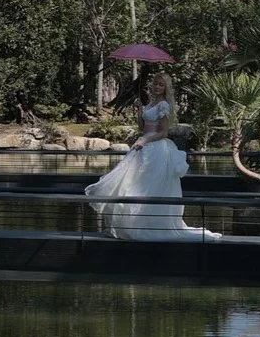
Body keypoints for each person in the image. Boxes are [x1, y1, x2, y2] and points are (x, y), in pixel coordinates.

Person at [85, 73, 216, 240]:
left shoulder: (163, 105)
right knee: (131, 184)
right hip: (143, 146)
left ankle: (149, 225)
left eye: (161, 85)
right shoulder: (150, 103)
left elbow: (163, 132)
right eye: (155, 84)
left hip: (156, 149)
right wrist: (140, 114)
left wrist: (145, 139)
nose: (157, 87)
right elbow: (144, 126)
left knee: (149, 186)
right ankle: (130, 225)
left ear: (166, 88)